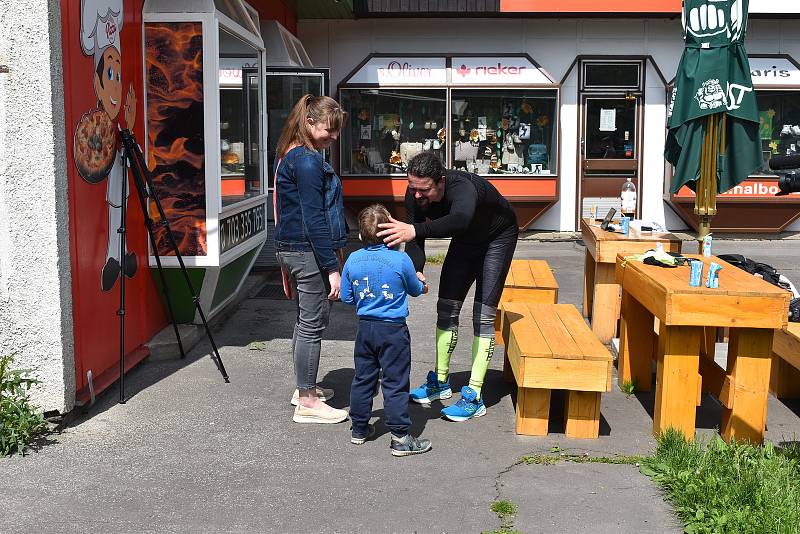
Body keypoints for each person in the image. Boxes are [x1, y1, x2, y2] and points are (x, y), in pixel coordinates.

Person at [377, 152, 518, 422]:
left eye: (424, 190)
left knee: (483, 314)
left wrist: (416, 230)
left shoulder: (462, 187)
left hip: (497, 239)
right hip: (466, 240)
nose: (417, 196)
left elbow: (459, 220)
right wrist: (415, 269)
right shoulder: (415, 194)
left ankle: (474, 395)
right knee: (447, 308)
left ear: (440, 181)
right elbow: (415, 241)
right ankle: (440, 382)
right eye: (413, 188)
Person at [274, 94, 349, 424]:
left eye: (336, 132)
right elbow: (314, 217)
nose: (333, 138)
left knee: (306, 321)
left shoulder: (295, 154)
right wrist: (332, 267)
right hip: (307, 252)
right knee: (312, 324)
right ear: (309, 123)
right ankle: (307, 401)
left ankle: (304, 389)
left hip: (297, 248)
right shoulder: (306, 160)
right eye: (329, 131)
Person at [341, 205, 432, 456]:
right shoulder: (401, 260)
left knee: (363, 377)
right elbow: (414, 289)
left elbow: (347, 297)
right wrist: (422, 285)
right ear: (390, 233)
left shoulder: (353, 259)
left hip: (365, 329)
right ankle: (400, 437)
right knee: (395, 381)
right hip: (393, 330)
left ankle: (359, 428)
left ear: (360, 236)